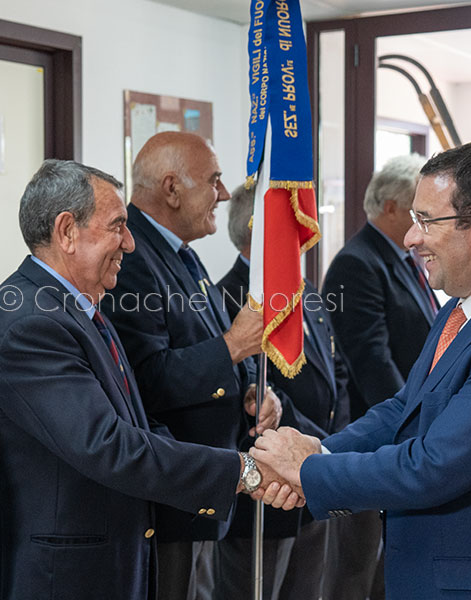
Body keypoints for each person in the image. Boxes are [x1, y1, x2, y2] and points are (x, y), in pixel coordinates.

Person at [253, 140, 471, 599]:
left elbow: (433, 467)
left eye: (426, 221)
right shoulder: (464, 306)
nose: (410, 238)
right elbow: (406, 409)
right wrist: (319, 451)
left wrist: (307, 472)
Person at [0, 159, 296, 600]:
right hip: (59, 579)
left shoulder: (75, 308)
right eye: (118, 226)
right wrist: (244, 471)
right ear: (67, 231)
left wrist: (239, 462)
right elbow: (109, 446)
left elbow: (137, 422)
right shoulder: (30, 325)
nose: (130, 243)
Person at [101, 131, 303, 600]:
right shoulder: (133, 259)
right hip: (172, 497)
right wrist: (232, 347)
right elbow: (143, 381)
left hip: (203, 496)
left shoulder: (182, 254)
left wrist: (255, 391)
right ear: (172, 188)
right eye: (214, 180)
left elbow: (213, 343)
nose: (225, 194)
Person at [214, 184, 351, 600]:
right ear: (259, 229)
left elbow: (337, 371)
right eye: (290, 223)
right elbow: (248, 397)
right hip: (268, 491)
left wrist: (331, 446)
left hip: (317, 477)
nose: (304, 234)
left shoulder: (306, 290)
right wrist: (309, 448)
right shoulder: (228, 298)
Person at [319, 152, 434, 600]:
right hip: (376, 436)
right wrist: (414, 423)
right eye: (416, 211)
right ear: (389, 206)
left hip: (400, 436)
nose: (422, 224)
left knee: (384, 569)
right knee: (356, 568)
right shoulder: (358, 263)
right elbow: (371, 361)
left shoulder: (402, 258)